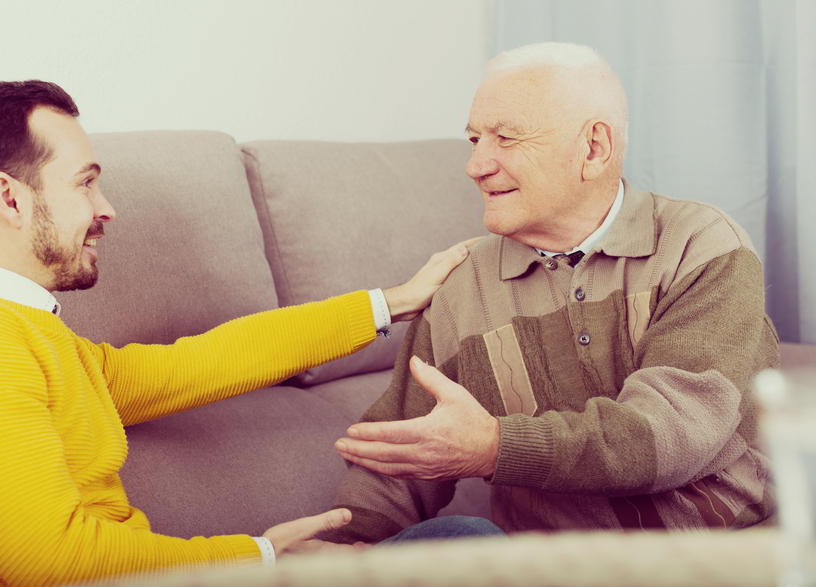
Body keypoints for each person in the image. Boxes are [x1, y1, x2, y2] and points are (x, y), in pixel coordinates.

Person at [0, 80, 478, 587]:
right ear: (9, 200)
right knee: (463, 547)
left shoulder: (19, 333)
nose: (107, 208)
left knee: (459, 546)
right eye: (85, 181)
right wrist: (261, 557)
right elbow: (54, 563)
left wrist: (394, 302)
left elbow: (202, 362)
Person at [328, 42, 779, 544]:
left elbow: (671, 432)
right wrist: (343, 544)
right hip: (545, 566)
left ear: (593, 149)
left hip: (715, 555)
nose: (476, 165)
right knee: (462, 537)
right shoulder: (462, 288)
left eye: (505, 138)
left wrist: (499, 447)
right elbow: (398, 455)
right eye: (475, 140)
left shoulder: (701, 245)